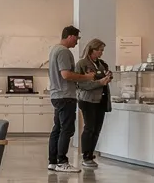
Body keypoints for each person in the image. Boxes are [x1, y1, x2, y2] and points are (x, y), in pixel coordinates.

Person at [46, 25, 91, 172]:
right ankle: (62, 162)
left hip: (57, 95)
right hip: (65, 95)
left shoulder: (54, 50)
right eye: (77, 38)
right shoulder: (64, 52)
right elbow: (66, 75)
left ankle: (53, 161)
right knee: (67, 129)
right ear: (70, 36)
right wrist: (86, 77)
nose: (77, 42)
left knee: (57, 129)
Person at [74, 37, 113, 168]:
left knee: (97, 129)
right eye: (100, 50)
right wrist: (99, 83)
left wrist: (108, 77)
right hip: (88, 100)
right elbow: (81, 84)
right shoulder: (82, 64)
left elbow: (104, 76)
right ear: (92, 50)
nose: (101, 53)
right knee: (89, 127)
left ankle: (91, 153)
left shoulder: (102, 64)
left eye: (102, 50)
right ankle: (85, 155)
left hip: (101, 100)